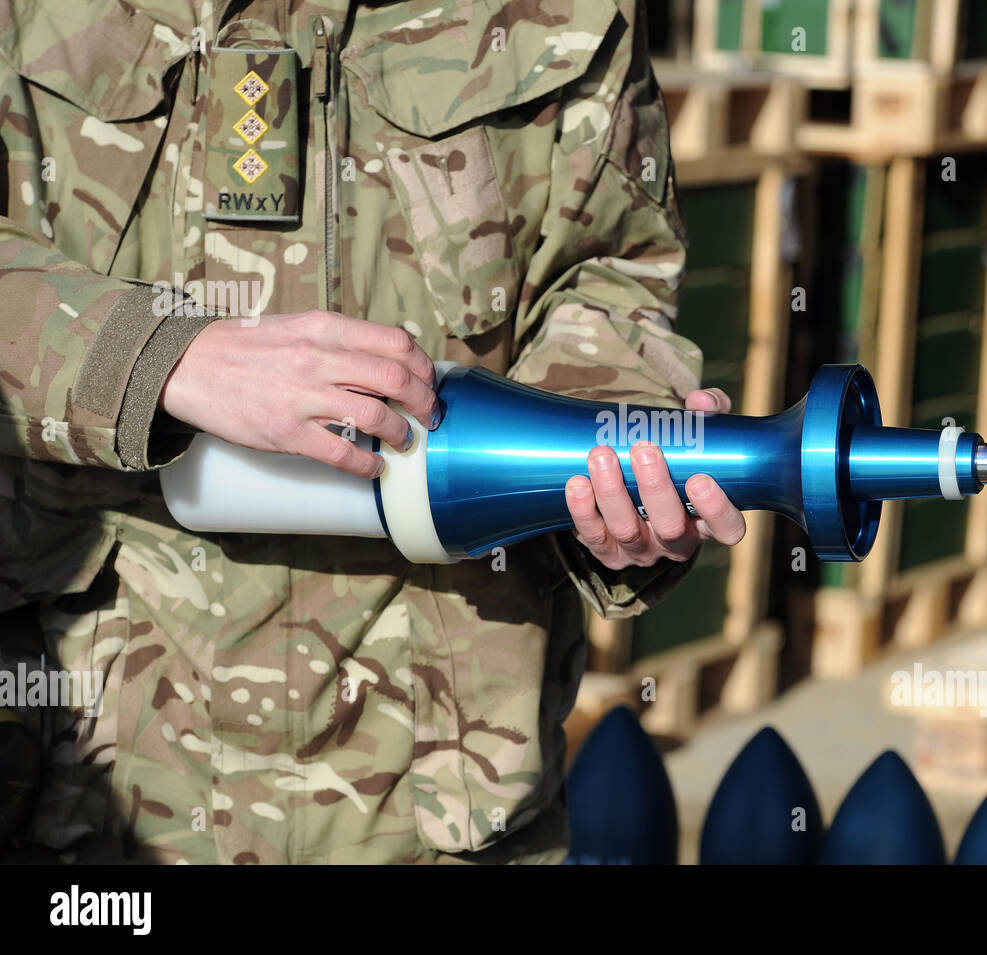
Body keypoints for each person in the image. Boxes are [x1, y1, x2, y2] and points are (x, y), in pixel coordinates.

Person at [0, 0, 744, 863]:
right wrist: (162, 357)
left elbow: (609, 277)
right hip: (83, 796)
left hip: (433, 801)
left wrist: (598, 471)